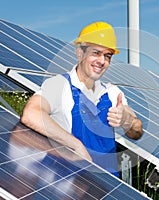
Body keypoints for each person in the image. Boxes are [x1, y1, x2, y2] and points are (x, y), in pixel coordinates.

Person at [20, 21, 143, 177]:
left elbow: (137, 132)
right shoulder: (58, 85)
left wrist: (127, 121)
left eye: (107, 56)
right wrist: (76, 145)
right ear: (80, 53)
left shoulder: (113, 92)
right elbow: (31, 114)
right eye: (96, 53)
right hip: (68, 184)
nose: (102, 61)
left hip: (108, 183)